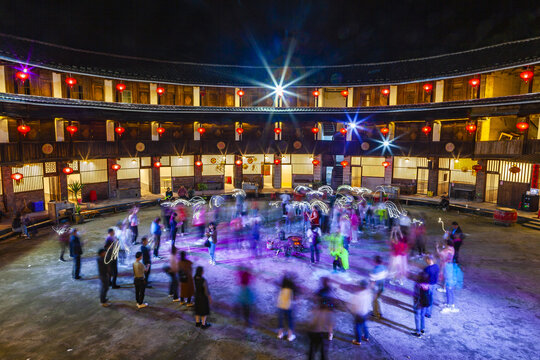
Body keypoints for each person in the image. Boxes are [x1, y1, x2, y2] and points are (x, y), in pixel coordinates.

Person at [349, 280, 372, 345]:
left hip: (359, 314)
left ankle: (358, 341)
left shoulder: (357, 295)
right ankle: (366, 337)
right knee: (364, 325)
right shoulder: (368, 293)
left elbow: (353, 306)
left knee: (357, 326)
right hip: (365, 313)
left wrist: (352, 311)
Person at [277, 274, 297, 341]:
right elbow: (294, 299)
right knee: (290, 322)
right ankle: (289, 336)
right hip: (288, 307)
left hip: (280, 306)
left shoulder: (282, 288)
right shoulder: (292, 289)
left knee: (280, 321)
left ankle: (280, 334)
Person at [412, 273, 432, 337]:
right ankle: (422, 329)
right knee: (422, 315)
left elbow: (415, 294)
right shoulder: (429, 285)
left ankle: (418, 332)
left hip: (418, 303)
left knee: (417, 316)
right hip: (425, 303)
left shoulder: (417, 285)